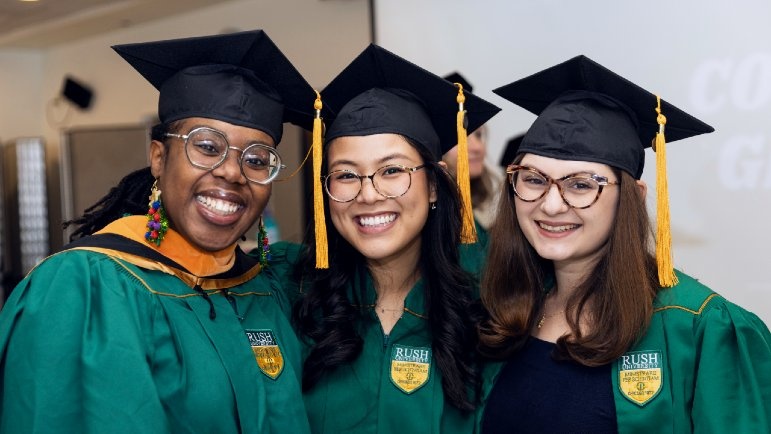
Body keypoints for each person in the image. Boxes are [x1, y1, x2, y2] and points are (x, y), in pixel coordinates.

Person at [0, 30, 317, 434]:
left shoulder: (267, 289)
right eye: (207, 146)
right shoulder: (84, 287)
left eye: (256, 159)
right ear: (158, 157)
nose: (232, 172)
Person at [478, 55, 771, 433]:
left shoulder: (699, 327)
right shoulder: (506, 310)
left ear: (633, 196)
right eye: (533, 179)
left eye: (581, 184)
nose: (551, 205)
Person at [263, 44, 500, 433]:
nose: (368, 194)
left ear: (434, 185)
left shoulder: (488, 307)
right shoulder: (287, 290)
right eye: (346, 175)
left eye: (392, 171)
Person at [442, 72, 504, 242]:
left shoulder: (492, 210)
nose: (477, 147)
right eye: (460, 138)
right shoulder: (437, 223)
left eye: (478, 135)